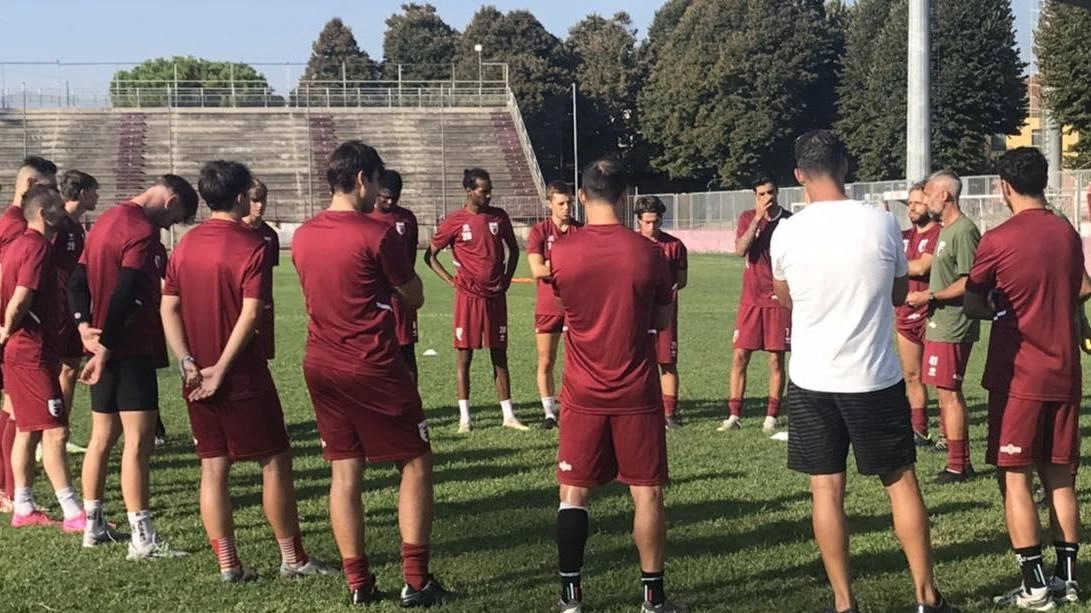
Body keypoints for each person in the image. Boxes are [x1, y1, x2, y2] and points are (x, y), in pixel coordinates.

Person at [771, 130, 951, 613]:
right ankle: (925, 596)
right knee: (900, 481)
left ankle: (843, 602)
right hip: (873, 376)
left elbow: (784, 297)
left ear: (798, 176)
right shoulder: (881, 224)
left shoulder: (786, 231)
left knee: (826, 490)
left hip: (812, 379)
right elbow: (897, 292)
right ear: (845, 167)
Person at [293, 141, 451, 606]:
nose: (380, 191)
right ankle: (417, 580)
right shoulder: (375, 233)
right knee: (416, 460)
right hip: (372, 363)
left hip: (320, 363)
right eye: (378, 181)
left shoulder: (302, 235)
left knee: (345, 471)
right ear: (362, 179)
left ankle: (359, 583)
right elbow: (414, 294)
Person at [161, 161, 330, 582]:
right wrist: (222, 368)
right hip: (240, 373)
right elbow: (251, 311)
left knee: (213, 466)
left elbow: (169, 306)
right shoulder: (251, 244)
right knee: (275, 461)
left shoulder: (185, 244)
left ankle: (228, 565)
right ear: (240, 197)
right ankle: (292, 559)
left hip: (194, 374)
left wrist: (188, 362)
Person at [551, 159, 683, 613]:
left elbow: (564, 308)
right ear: (625, 196)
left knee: (574, 492)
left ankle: (571, 597)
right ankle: (653, 598)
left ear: (583, 197)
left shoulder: (563, 251)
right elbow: (663, 319)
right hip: (636, 389)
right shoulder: (648, 253)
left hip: (582, 390)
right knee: (646, 492)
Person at [963, 147, 1088, 609]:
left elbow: (976, 302)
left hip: (1019, 375)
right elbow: (1084, 286)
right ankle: (1068, 579)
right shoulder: (1066, 233)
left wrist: (1000, 302)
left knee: (1015, 477)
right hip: (1066, 371)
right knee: (1060, 475)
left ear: (1004, 186)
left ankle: (1034, 585)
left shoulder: (998, 238)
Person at [69, 174, 197, 555]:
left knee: (101, 438)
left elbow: (77, 280)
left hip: (104, 346)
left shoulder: (107, 219)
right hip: (128, 346)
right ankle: (142, 537)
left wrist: (83, 328)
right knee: (139, 442)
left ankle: (93, 526)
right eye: (175, 219)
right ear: (171, 200)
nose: (170, 227)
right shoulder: (141, 230)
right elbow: (125, 291)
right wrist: (106, 344)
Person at [0, 185, 85, 531]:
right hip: (31, 351)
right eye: (57, 212)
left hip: (24, 350)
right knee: (55, 432)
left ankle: (23, 505)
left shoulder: (17, 246)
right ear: (41, 214)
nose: (63, 218)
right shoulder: (37, 248)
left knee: (26, 428)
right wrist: (7, 328)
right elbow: (21, 297)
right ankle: (74, 512)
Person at [425, 168, 525, 433]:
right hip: (468, 297)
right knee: (464, 357)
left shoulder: (499, 217)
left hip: (495, 295)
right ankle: (465, 419)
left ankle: (509, 415)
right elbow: (430, 256)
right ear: (469, 191)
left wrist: (506, 278)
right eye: (484, 190)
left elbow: (514, 250)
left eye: (490, 189)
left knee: (499, 354)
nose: (489, 194)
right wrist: (451, 281)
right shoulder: (454, 221)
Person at [905, 170, 981, 483]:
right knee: (944, 392)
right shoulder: (946, 230)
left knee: (950, 394)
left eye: (930, 194)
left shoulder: (963, 231)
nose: (926, 200)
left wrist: (931, 295)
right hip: (939, 321)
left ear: (945, 196)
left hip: (953, 323)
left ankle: (959, 464)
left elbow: (970, 280)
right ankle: (956, 460)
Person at [0, 156, 56, 513]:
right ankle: (8, 490)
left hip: (19, 329)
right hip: (15, 333)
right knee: (14, 411)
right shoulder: (16, 229)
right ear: (33, 187)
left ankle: (10, 489)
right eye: (49, 186)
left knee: (13, 409)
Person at [722, 177, 791, 434]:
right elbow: (740, 250)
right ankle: (733, 414)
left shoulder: (789, 221)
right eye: (761, 194)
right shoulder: (747, 217)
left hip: (778, 298)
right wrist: (756, 220)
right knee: (740, 356)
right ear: (755, 196)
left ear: (778, 192)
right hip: (751, 299)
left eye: (771, 192)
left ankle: (771, 416)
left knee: (775, 360)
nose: (767, 198)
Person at [526, 180, 581, 429]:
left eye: (569, 202)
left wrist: (555, 266)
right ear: (549, 204)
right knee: (546, 360)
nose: (567, 207)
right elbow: (537, 269)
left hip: (576, 307)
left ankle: (573, 406)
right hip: (548, 306)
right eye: (561, 203)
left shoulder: (581, 231)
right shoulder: (539, 231)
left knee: (577, 361)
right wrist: (569, 265)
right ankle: (549, 412)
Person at [54, 170, 99, 455]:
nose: (97, 197)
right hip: (58, 309)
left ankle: (60, 431)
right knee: (59, 369)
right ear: (82, 193)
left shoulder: (74, 226)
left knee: (69, 369)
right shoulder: (57, 224)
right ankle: (51, 434)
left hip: (71, 307)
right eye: (94, 191)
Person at [633, 196, 688, 430]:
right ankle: (637, 409)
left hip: (665, 312)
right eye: (647, 222)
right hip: (635, 311)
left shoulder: (675, 246)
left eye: (656, 222)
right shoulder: (631, 244)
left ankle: (669, 414)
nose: (652, 227)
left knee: (667, 361)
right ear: (638, 221)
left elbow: (682, 281)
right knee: (635, 362)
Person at [894, 182, 942, 448]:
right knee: (911, 375)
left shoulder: (938, 234)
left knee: (939, 380)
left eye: (918, 202)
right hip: (904, 313)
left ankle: (948, 435)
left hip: (931, 313)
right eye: (910, 203)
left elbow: (923, 266)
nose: (912, 207)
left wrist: (894, 265)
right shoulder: (903, 235)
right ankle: (920, 431)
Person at [367, 170, 421, 382]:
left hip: (401, 298)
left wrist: (404, 287)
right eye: (385, 196)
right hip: (374, 298)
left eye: (394, 197)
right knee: (377, 352)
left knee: (406, 351)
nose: (389, 201)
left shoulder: (407, 218)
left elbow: (411, 257)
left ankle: (413, 406)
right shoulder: (365, 218)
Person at [241, 178, 280, 367]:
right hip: (239, 304)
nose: (259, 205)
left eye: (263, 200)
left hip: (263, 306)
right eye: (254, 200)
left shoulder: (270, 235)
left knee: (260, 360)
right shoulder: (235, 231)